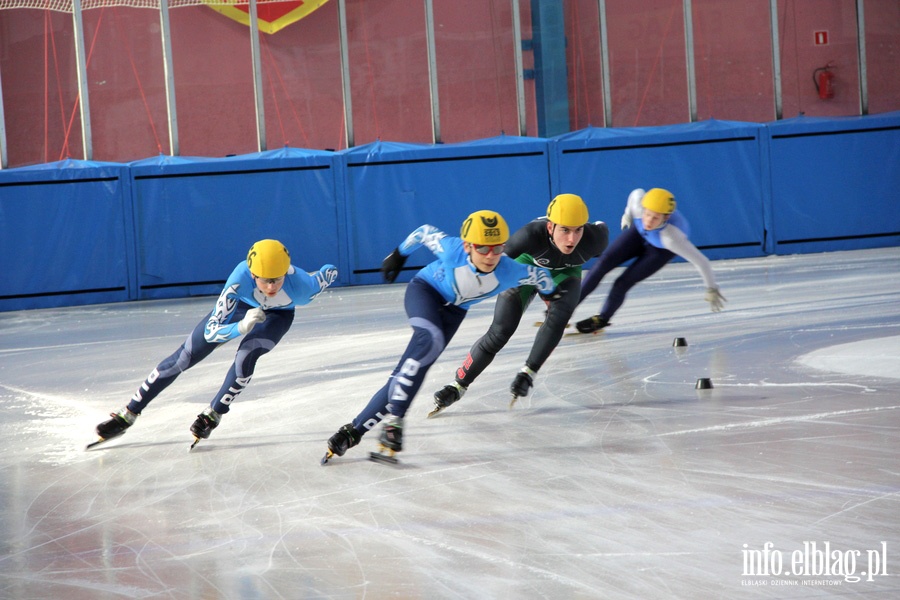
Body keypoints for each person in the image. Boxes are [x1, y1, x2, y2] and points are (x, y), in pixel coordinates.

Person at [323, 210, 557, 463]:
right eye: (483, 248)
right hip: (425, 291)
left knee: (411, 370)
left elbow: (541, 276)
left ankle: (353, 432)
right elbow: (424, 232)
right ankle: (395, 422)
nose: (491, 256)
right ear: (468, 245)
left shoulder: (509, 270)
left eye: (498, 248)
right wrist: (399, 254)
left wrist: (551, 297)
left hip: (453, 312)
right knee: (429, 341)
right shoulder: (452, 250)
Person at [90, 239, 338, 448]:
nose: (272, 286)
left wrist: (322, 274)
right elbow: (211, 332)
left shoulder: (303, 289)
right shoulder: (240, 278)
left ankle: (214, 413)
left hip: (278, 315)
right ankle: (129, 413)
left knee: (246, 356)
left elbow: (328, 272)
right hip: (242, 307)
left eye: (277, 279)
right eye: (265, 280)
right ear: (253, 274)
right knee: (185, 356)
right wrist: (240, 326)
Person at [429, 194, 609, 416]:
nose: (572, 239)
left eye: (578, 230)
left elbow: (600, 232)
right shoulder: (529, 235)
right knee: (500, 331)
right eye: (565, 230)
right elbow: (494, 265)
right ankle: (458, 385)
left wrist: (529, 370)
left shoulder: (596, 238)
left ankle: (528, 372)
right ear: (550, 227)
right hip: (524, 270)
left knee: (560, 316)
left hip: (565, 274)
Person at [574, 187, 725, 334]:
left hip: (660, 249)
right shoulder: (639, 206)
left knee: (623, 283)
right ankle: (569, 306)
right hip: (639, 233)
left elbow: (702, 262)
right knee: (602, 263)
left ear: (666, 217)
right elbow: (635, 193)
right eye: (647, 214)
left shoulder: (672, 238)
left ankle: (602, 318)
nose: (649, 221)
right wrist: (628, 215)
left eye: (655, 217)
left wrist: (711, 287)